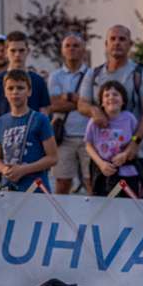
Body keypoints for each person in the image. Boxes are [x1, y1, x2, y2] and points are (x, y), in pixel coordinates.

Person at [77, 25, 143, 195]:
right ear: (106, 44)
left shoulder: (141, 73)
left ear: (130, 44)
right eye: (113, 39)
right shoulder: (94, 74)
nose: (117, 43)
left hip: (136, 155)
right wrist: (94, 110)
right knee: (102, 209)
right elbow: (81, 104)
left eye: (122, 39)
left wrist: (133, 144)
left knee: (138, 209)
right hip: (103, 158)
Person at [0, 31, 51, 187]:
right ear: (6, 51)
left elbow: (44, 113)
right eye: (13, 50)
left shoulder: (38, 81)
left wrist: (45, 149)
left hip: (33, 146)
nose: (17, 55)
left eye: (21, 50)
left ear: (28, 51)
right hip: (4, 143)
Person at [0, 69, 58, 192]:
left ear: (29, 91)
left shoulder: (40, 119)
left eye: (20, 88)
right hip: (8, 189)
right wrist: (3, 169)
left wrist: (23, 170)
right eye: (10, 88)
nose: (15, 92)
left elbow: (53, 158)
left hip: (35, 189)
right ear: (4, 92)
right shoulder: (1, 122)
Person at [48, 33, 90, 195]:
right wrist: (81, 101)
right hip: (63, 137)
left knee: (90, 181)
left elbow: (94, 103)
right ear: (62, 50)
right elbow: (53, 105)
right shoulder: (55, 76)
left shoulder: (92, 74)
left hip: (89, 137)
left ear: (83, 50)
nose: (72, 49)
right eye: (68, 46)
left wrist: (67, 97)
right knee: (62, 182)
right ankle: (60, 218)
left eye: (76, 45)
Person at [84, 80, 143, 197]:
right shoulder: (94, 122)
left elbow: (137, 137)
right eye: (106, 95)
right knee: (103, 209)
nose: (111, 97)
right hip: (103, 172)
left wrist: (126, 153)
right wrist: (101, 163)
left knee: (129, 209)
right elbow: (88, 144)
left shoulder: (130, 118)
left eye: (115, 94)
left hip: (128, 172)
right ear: (102, 102)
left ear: (123, 101)